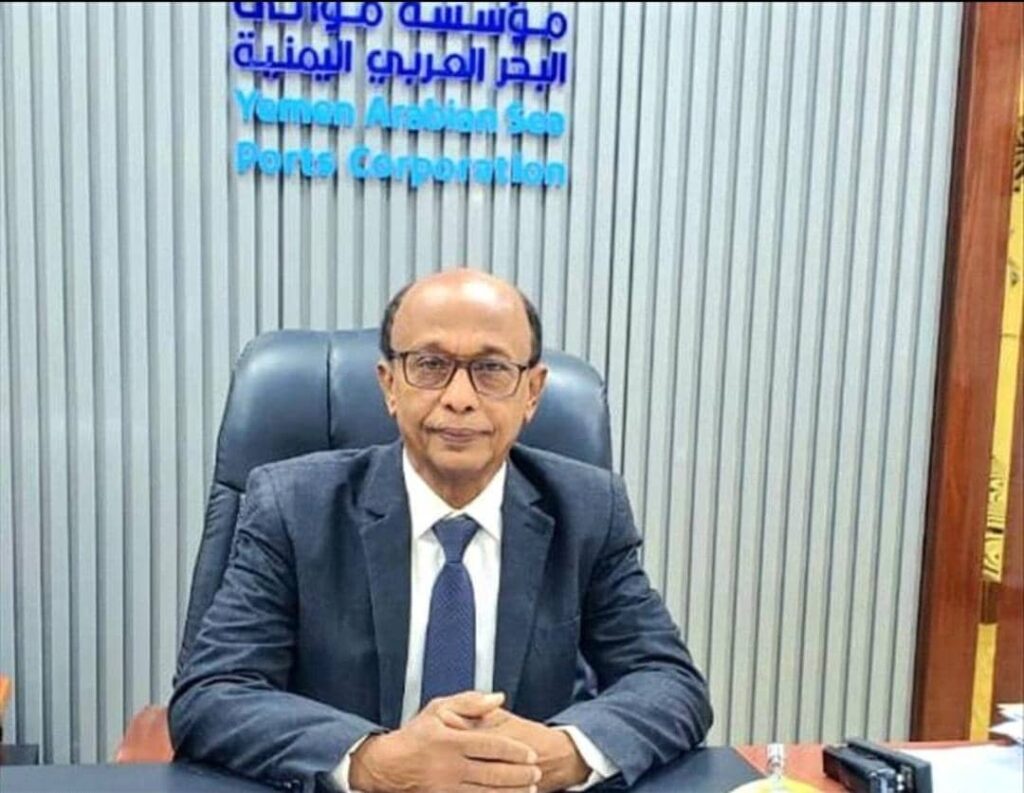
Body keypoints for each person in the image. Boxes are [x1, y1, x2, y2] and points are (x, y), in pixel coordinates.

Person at [169, 269, 713, 793]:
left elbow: (668, 682)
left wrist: (558, 754)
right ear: (389, 385)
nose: (459, 397)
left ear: (532, 392)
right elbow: (213, 692)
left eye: (491, 369)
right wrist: (373, 762)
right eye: (430, 365)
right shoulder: (294, 506)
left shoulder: (588, 511)